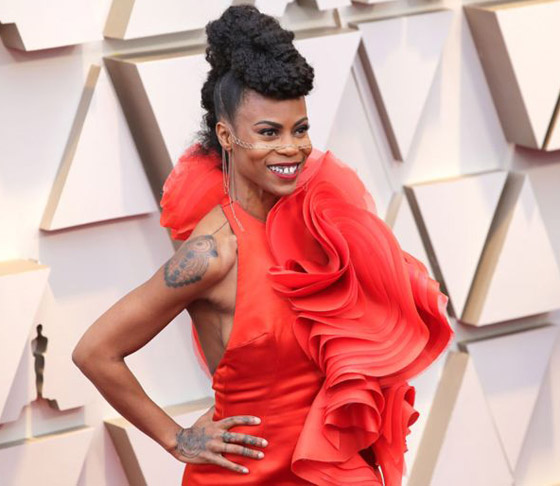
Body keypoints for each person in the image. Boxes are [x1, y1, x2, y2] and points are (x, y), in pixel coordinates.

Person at [73, 5, 454, 485]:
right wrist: (178, 438)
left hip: (330, 467)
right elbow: (95, 351)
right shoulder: (212, 253)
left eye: (300, 129)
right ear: (227, 136)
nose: (291, 148)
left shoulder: (319, 223)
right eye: (269, 133)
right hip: (244, 476)